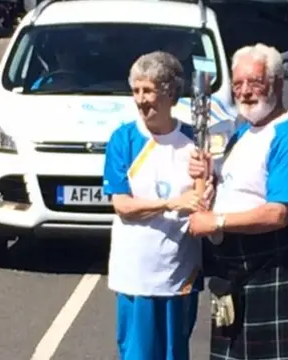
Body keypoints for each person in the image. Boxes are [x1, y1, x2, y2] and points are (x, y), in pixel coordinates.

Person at [187, 43, 288, 360]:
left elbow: (278, 213)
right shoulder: (244, 132)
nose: (245, 92)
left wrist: (215, 222)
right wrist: (210, 179)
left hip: (274, 262)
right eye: (238, 83)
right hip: (239, 267)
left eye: (255, 82)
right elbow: (241, 189)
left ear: (278, 83)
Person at [102, 51, 213, 360]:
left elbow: (204, 205)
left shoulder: (195, 141)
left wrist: (207, 182)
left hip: (180, 273)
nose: (140, 100)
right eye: (136, 91)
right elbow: (123, 206)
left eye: (148, 90)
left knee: (175, 355)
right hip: (135, 274)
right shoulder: (123, 139)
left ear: (171, 93)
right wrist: (170, 203)